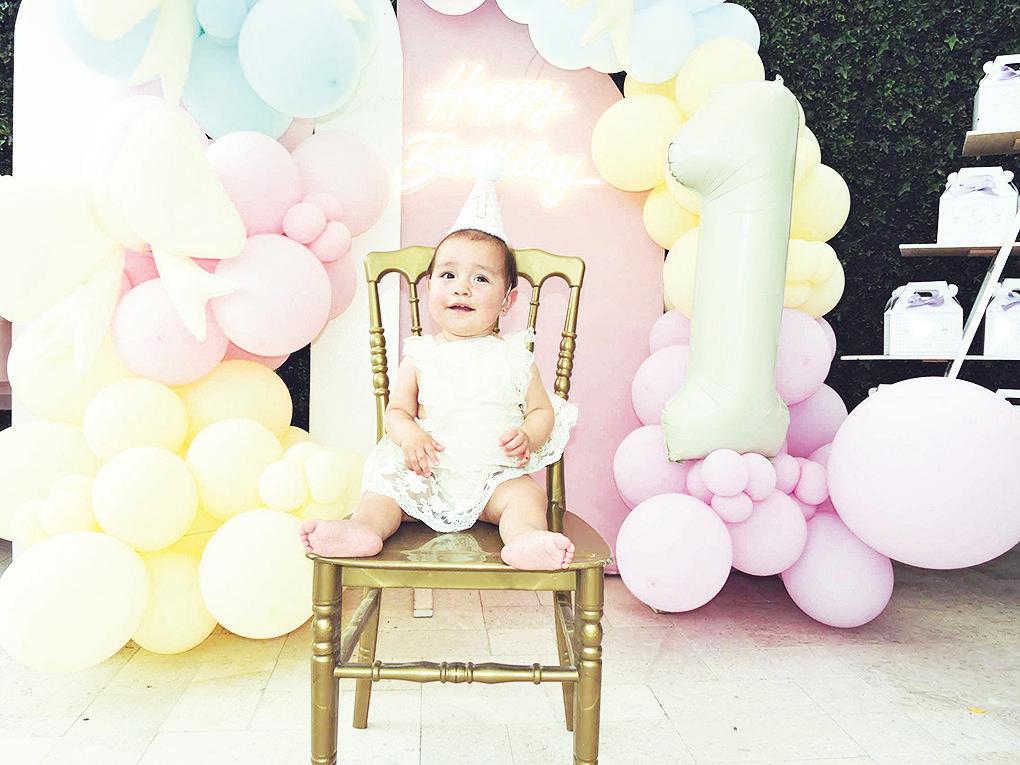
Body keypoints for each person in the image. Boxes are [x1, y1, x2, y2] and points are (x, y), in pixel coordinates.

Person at [300, 161, 578, 570]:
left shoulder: (516, 356)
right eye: (448, 275)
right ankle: (363, 528)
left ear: (508, 301)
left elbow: (541, 411)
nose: (462, 287)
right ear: (430, 288)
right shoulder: (421, 354)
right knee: (384, 493)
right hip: (426, 474)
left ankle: (523, 538)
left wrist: (528, 435)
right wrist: (410, 435)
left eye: (481, 279)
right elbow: (397, 411)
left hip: (492, 477)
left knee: (526, 496)